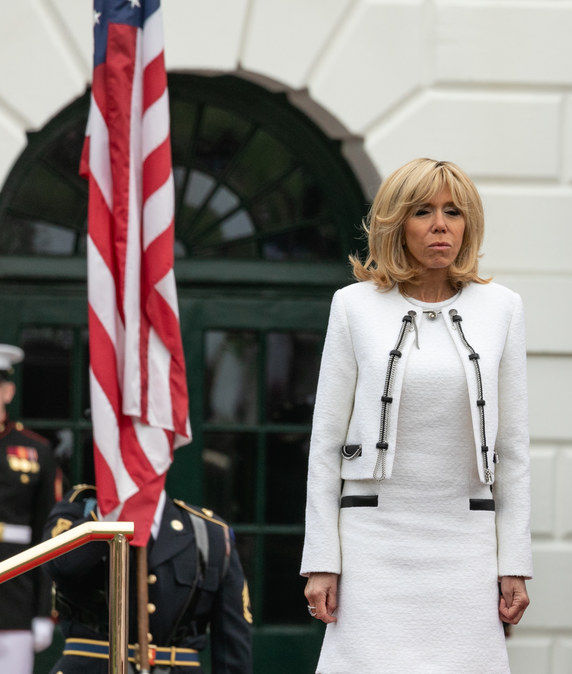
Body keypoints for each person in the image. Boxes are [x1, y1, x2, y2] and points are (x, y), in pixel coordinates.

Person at [301, 158, 532, 673]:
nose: (440, 225)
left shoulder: (503, 309)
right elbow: (325, 444)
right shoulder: (353, 306)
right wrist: (322, 560)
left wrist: (514, 563)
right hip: (373, 543)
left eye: (453, 211)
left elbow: (513, 451)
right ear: (395, 222)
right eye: (423, 211)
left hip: (465, 542)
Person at [42, 483, 252, 673]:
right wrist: (108, 514)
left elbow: (232, 649)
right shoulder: (79, 511)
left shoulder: (210, 533)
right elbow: (60, 566)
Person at [0, 344, 56, 672]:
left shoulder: (36, 450)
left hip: (16, 596)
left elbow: (46, 535)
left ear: (8, 391)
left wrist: (43, 611)